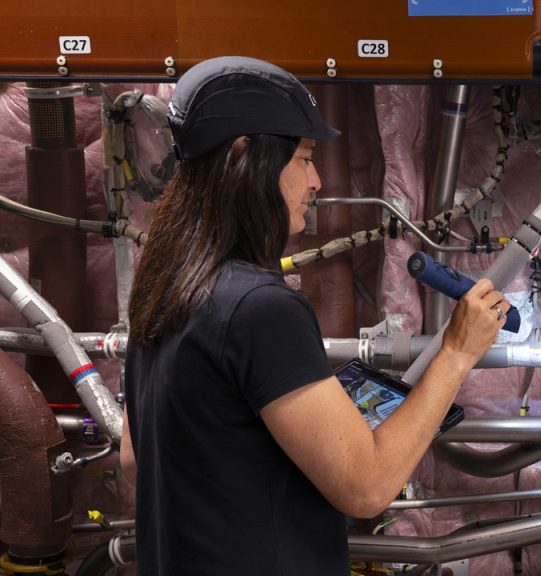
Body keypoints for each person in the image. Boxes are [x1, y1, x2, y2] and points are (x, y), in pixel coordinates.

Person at [119, 56, 510, 575]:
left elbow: (135, 461)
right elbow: (367, 488)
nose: (317, 180)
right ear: (245, 153)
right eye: (304, 158)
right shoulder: (260, 309)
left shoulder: (163, 286)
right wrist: (457, 352)